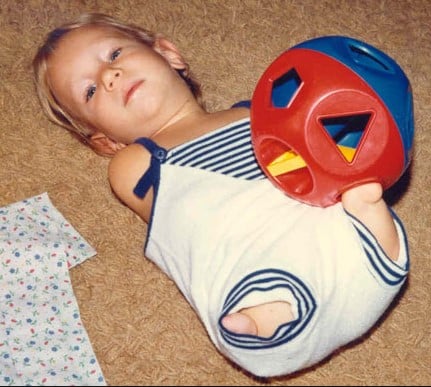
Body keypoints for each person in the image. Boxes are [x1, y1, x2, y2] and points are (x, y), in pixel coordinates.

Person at [33, 13, 410, 378]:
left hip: (332, 239)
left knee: (359, 201)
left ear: (168, 54)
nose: (109, 76)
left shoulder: (257, 111)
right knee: (250, 290)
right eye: (91, 91)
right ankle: (269, 315)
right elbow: (196, 226)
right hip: (255, 261)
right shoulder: (135, 162)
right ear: (107, 141)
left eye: (113, 55)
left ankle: (368, 222)